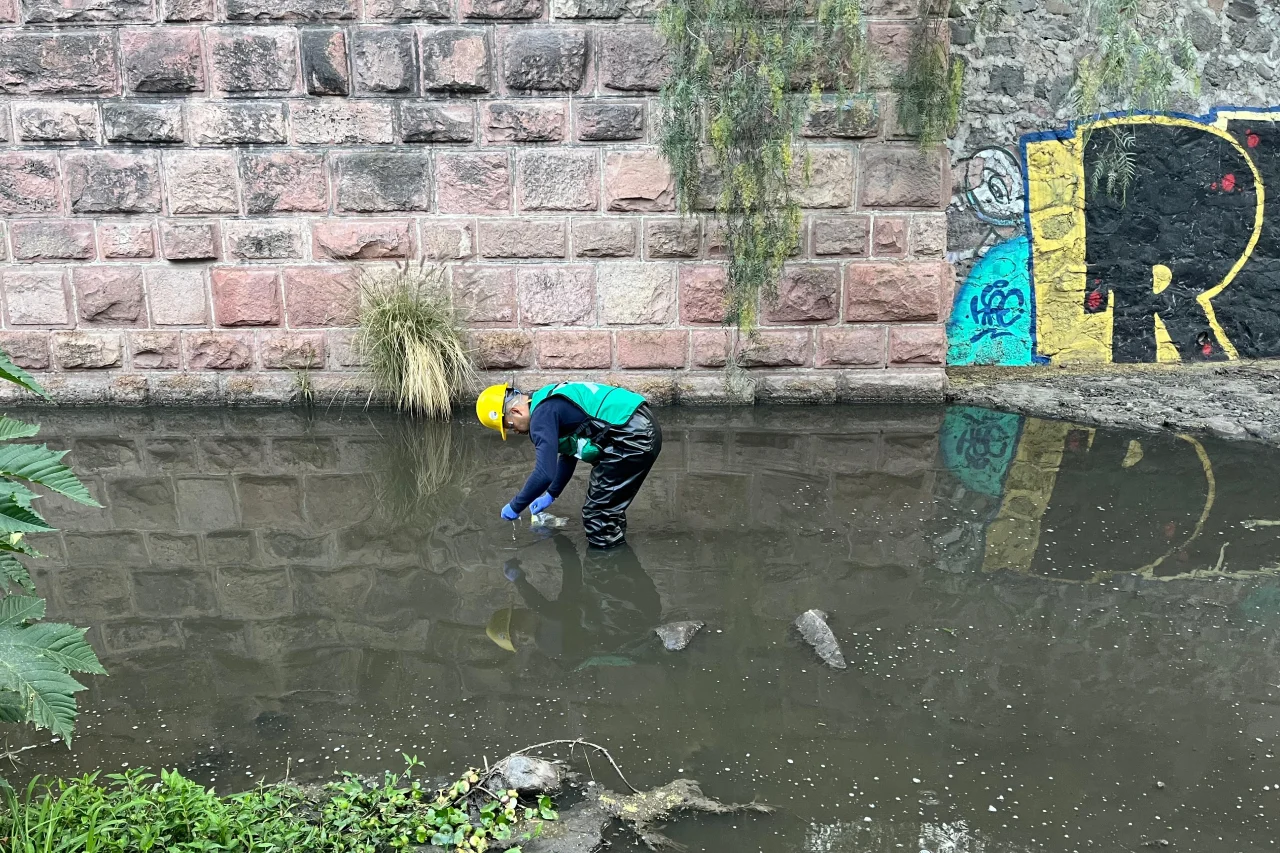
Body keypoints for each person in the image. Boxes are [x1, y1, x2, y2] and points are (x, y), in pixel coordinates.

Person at [475, 381, 662, 549]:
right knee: (607, 509)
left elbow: (544, 474)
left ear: (516, 411)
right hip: (639, 424)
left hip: (631, 435)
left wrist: (515, 506)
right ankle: (618, 554)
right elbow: (569, 454)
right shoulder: (548, 399)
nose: (514, 431)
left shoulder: (540, 418)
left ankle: (607, 567)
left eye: (509, 425)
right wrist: (551, 495)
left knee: (596, 515)